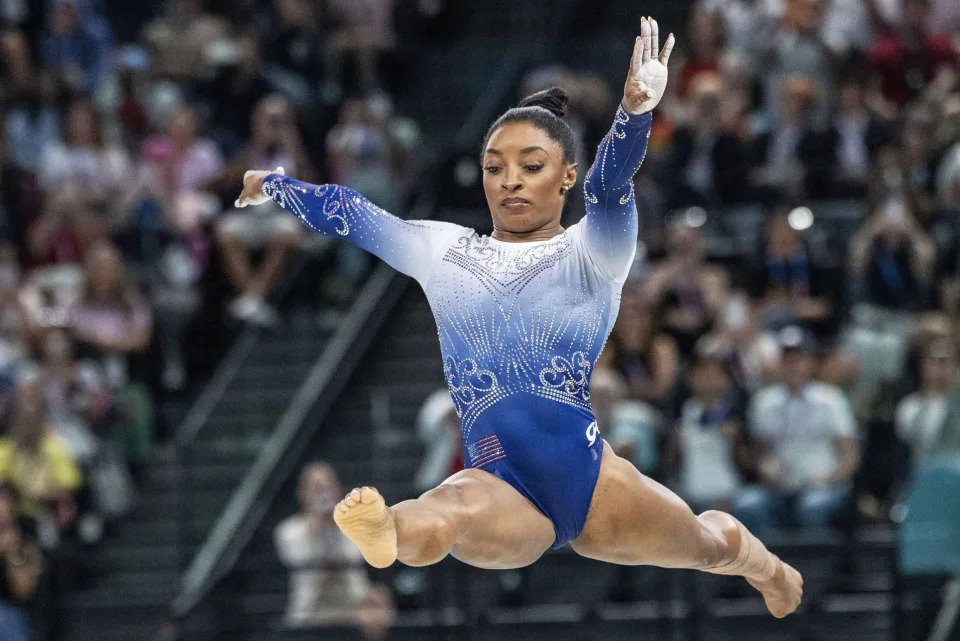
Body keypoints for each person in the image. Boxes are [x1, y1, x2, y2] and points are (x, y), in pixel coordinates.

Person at [237, 19, 802, 618]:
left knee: (709, 546)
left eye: (530, 166)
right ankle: (386, 532)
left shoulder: (593, 252)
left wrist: (634, 114)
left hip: (591, 482)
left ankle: (763, 565)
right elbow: (354, 213)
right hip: (500, 481)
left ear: (564, 176)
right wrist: (277, 184)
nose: (509, 180)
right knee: (449, 507)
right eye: (493, 166)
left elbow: (610, 185)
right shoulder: (446, 252)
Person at [735, 327, 860, 531]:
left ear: (811, 363)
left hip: (825, 484)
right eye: (788, 360)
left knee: (812, 507)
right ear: (780, 364)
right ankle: (770, 562)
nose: (794, 366)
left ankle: (815, 564)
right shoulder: (764, 402)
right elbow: (760, 452)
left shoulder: (831, 399)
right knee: (748, 505)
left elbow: (849, 456)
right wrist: (767, 469)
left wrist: (827, 479)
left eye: (799, 359)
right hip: (780, 487)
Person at [274, 463, 393, 639]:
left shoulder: (354, 527)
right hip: (311, 612)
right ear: (303, 494)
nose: (323, 494)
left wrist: (335, 527)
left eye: (327, 487)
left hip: (352, 610)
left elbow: (352, 558)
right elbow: (303, 561)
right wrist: (317, 528)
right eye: (316, 489)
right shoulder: (289, 531)